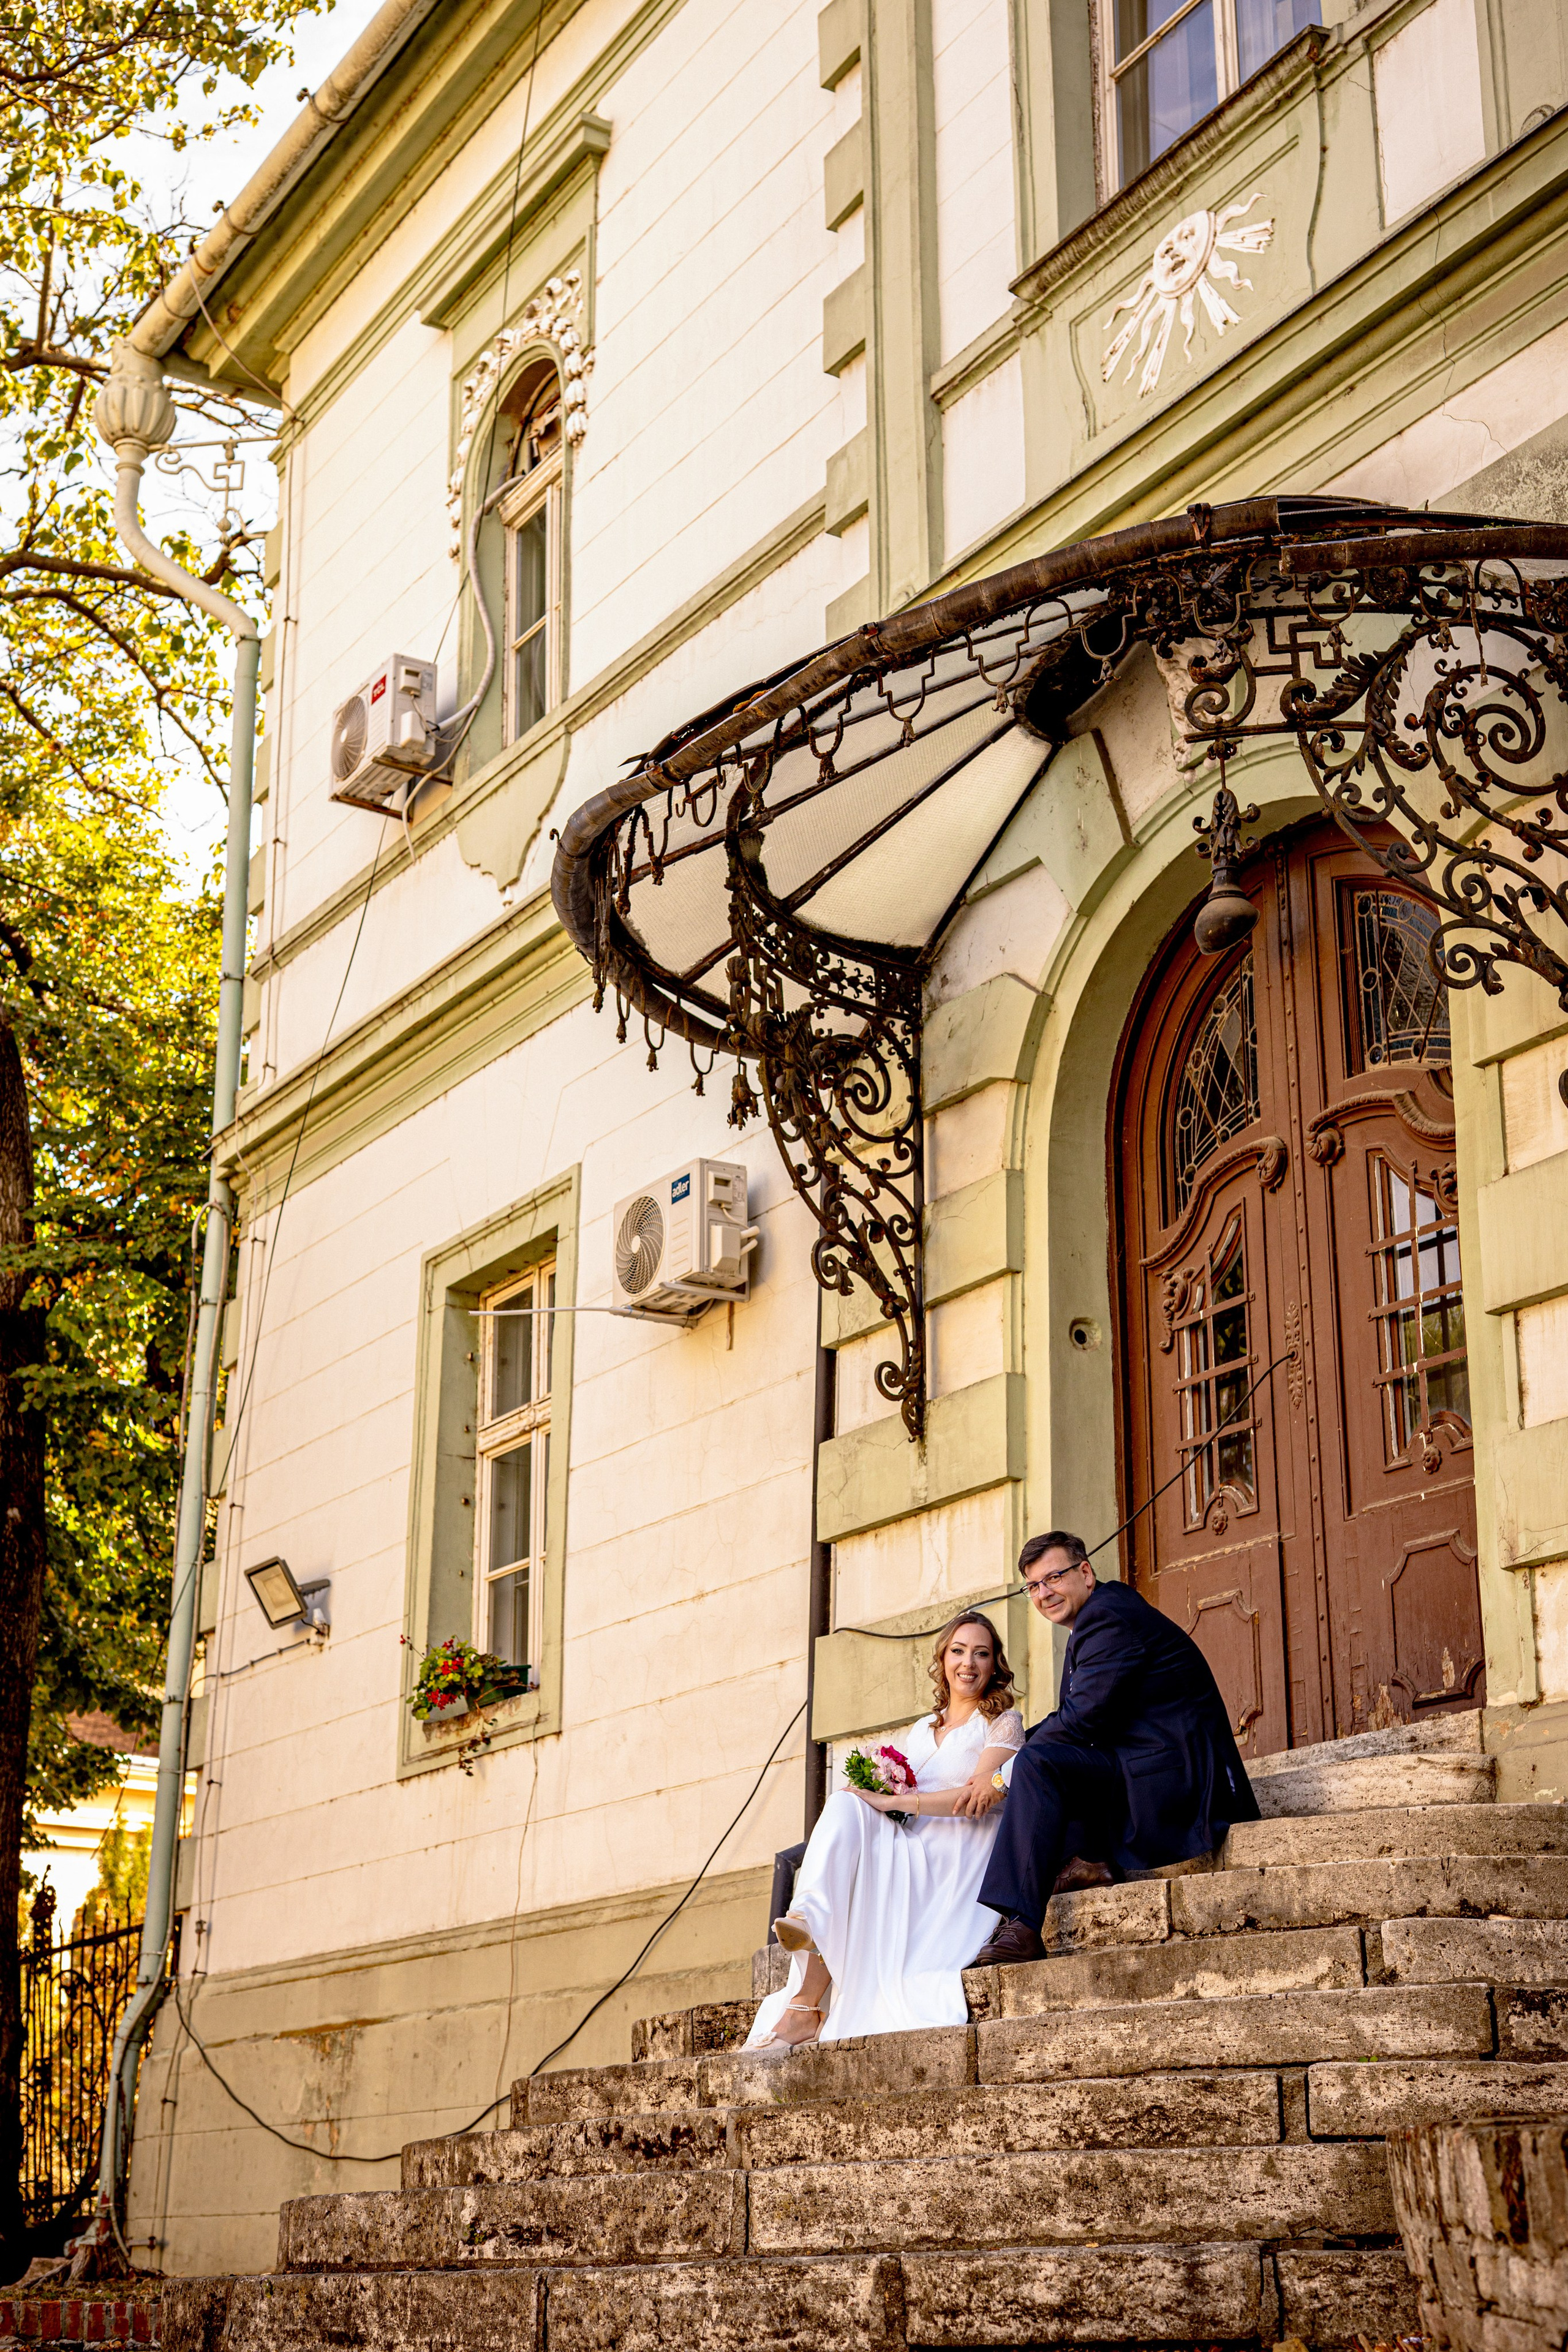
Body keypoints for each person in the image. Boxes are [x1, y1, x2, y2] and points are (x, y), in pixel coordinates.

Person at [971, 1531, 1260, 1967]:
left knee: (1036, 1764)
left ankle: (1024, 1926)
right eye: (1033, 1586)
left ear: (1085, 1572)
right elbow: (1089, 1720)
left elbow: (1082, 1718)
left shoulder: (1109, 1618)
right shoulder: (1101, 1614)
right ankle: (1089, 1860)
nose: (1044, 1593)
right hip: (1147, 1762)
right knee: (1045, 1762)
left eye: (1054, 1577)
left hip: (1179, 1778)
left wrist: (1003, 1771)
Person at [746, 1611, 1025, 2049]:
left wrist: (894, 1802)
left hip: (960, 1850)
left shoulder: (1003, 1723)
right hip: (915, 1839)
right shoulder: (922, 1730)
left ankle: (804, 2003)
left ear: (994, 1666)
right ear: (943, 1659)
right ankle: (806, 1919)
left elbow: (975, 1798)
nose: (968, 1663)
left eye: (981, 1654)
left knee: (857, 1869)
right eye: (958, 1651)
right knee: (844, 1804)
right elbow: (902, 1799)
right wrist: (877, 1792)